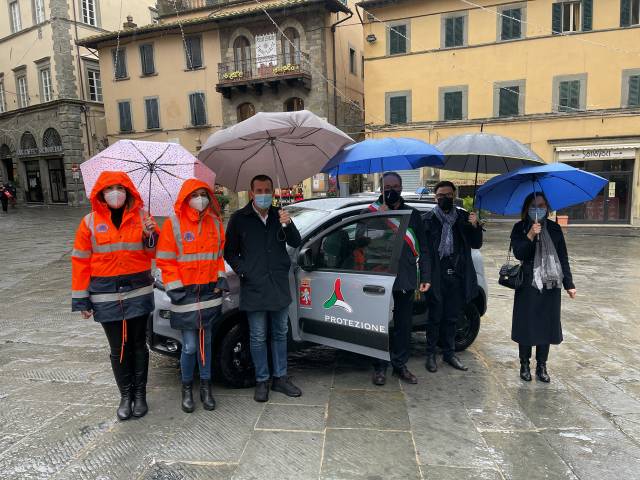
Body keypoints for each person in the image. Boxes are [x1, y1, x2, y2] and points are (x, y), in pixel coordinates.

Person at [71, 171, 157, 420]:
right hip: (105, 295)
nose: (115, 193)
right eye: (109, 189)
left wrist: (151, 234)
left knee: (139, 345)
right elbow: (80, 261)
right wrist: (82, 300)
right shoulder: (88, 222)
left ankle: (140, 395)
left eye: (120, 188)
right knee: (118, 347)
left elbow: (152, 253)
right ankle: (125, 395)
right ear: (101, 194)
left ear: (128, 192)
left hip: (138, 291)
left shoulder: (144, 218)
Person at [224, 174, 303, 402]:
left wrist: (288, 224)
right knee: (257, 336)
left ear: (273, 191)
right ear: (251, 193)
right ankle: (262, 380)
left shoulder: (281, 215)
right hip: (254, 286)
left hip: (278, 285)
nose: (264, 194)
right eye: (259, 190)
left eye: (267, 190)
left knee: (280, 333)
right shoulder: (239, 218)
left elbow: (296, 242)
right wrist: (244, 270)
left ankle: (280, 378)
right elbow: (229, 252)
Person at [156, 179, 227, 413]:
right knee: (189, 347)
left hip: (208, 293)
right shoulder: (173, 224)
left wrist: (220, 279)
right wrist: (175, 288)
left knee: (205, 344)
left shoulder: (215, 223)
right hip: (185, 296)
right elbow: (166, 259)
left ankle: (205, 389)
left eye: (203, 194)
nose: (200, 199)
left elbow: (218, 258)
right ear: (186, 197)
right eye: (195, 194)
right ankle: (187, 388)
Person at [359, 172, 431, 386]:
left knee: (403, 324)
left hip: (405, 276)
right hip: (379, 275)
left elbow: (424, 248)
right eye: (387, 186)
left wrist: (425, 275)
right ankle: (379, 365)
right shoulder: (370, 213)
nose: (391, 190)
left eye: (395, 186)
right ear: (381, 189)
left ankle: (400, 365)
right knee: (378, 324)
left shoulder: (412, 214)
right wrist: (378, 220)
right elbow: (360, 239)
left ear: (401, 188)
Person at [510, 192, 576, 382]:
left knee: (546, 325)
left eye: (542, 205)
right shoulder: (520, 227)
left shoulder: (555, 229)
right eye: (534, 205)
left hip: (551, 284)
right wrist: (530, 234)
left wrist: (569, 284)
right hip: (528, 283)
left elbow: (563, 257)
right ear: (526, 208)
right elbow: (519, 254)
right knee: (527, 324)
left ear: (547, 208)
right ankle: (524, 364)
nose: (538, 208)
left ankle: (541, 366)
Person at [423, 181, 482, 373]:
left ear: (454, 195)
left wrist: (475, 226)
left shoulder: (464, 218)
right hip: (436, 275)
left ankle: (449, 353)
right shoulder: (428, 219)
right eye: (441, 195)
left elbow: (476, 244)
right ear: (435, 197)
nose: (445, 198)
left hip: (457, 275)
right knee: (434, 317)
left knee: (452, 318)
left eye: (448, 195)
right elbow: (423, 251)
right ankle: (430, 354)